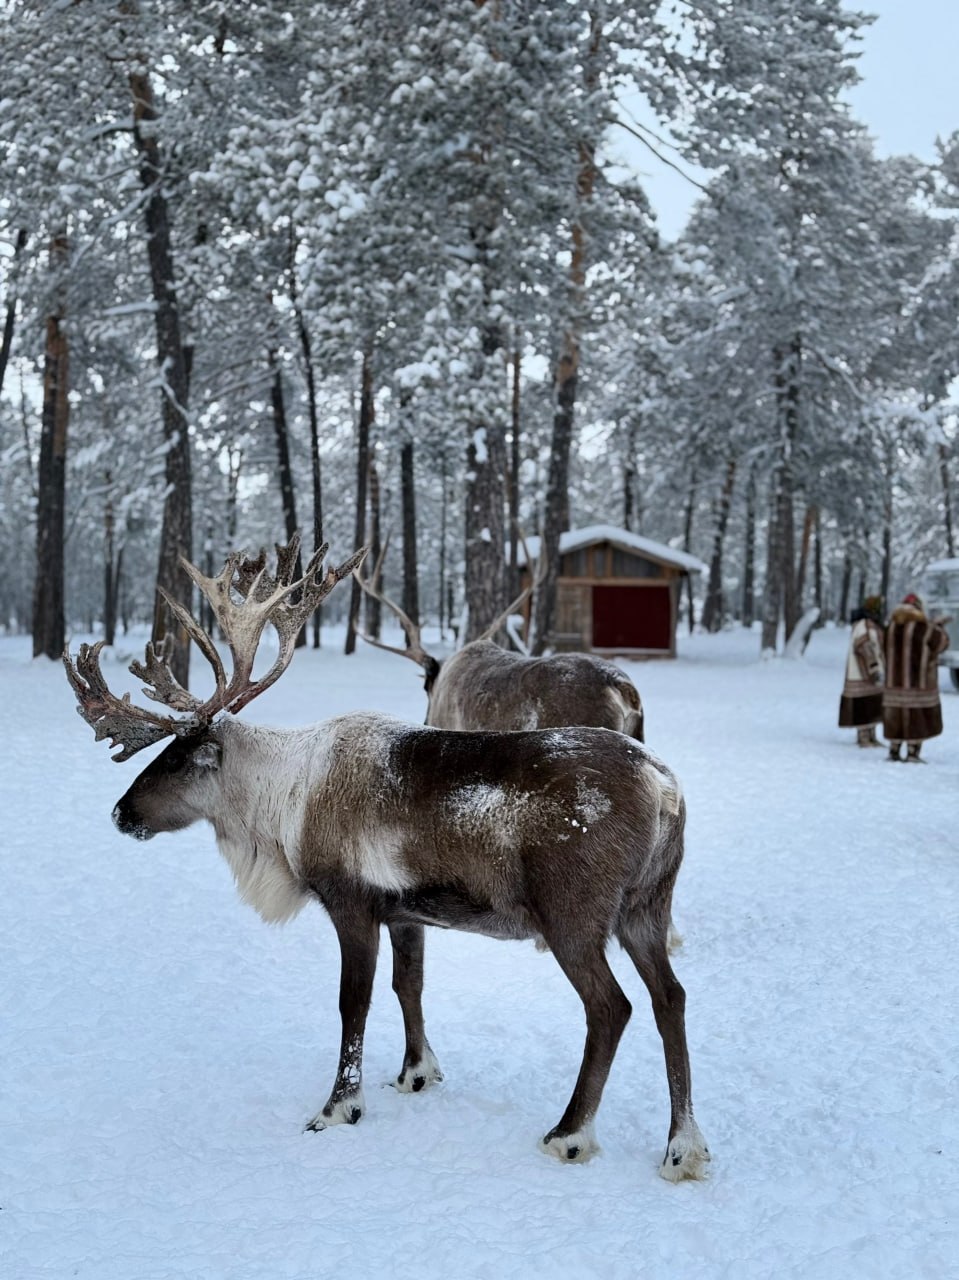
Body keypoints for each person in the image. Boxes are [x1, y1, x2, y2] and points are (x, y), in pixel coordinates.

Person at [882, 593, 950, 762]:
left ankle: (894, 750)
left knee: (895, 716)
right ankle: (913, 752)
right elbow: (942, 643)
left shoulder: (890, 627)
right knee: (915, 716)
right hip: (917, 682)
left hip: (893, 683)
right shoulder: (924, 627)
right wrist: (939, 625)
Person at [838, 595, 885, 747]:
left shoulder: (869, 624)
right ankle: (863, 736)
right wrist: (873, 667)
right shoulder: (864, 625)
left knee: (872, 702)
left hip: (866, 671)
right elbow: (864, 647)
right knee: (863, 704)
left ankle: (871, 735)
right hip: (861, 672)